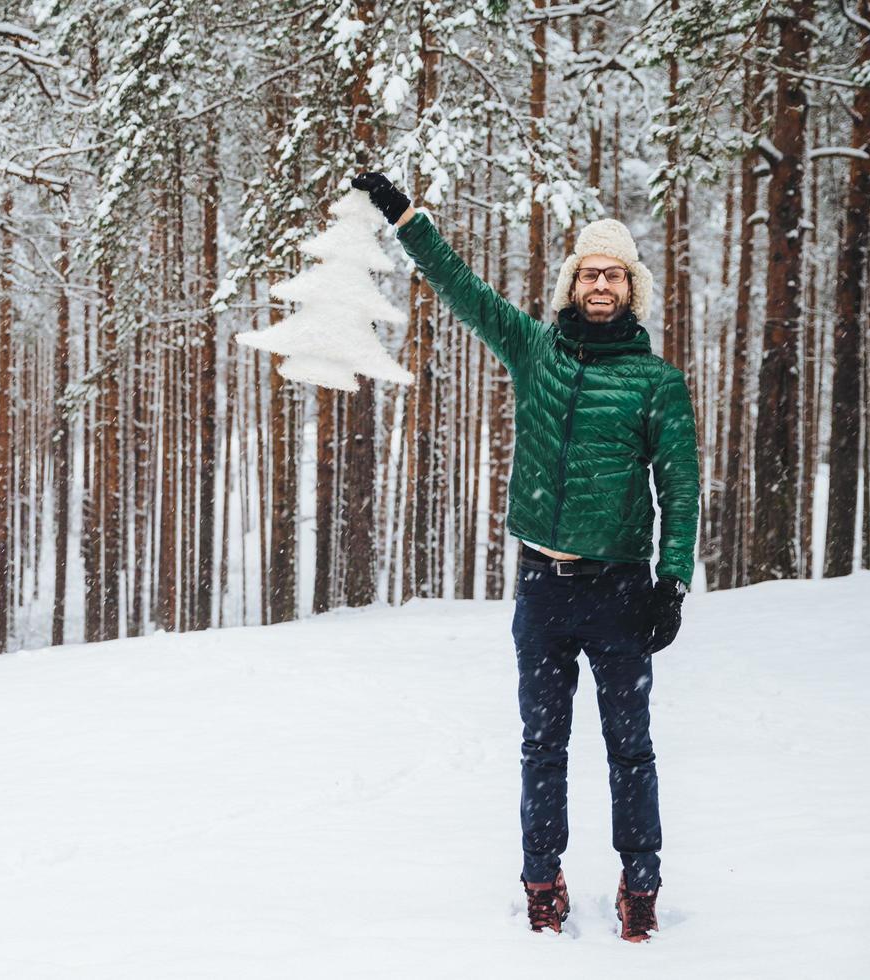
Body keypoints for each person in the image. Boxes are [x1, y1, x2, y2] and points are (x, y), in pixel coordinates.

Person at [352, 172, 699, 943]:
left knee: (629, 747)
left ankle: (640, 886)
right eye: (589, 271)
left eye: (614, 273)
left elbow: (682, 490)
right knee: (542, 745)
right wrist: (406, 217)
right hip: (542, 587)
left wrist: (671, 584)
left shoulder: (656, 383)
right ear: (572, 282)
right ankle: (542, 878)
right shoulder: (536, 349)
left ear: (631, 288)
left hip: (618, 591)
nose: (600, 282)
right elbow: (461, 287)